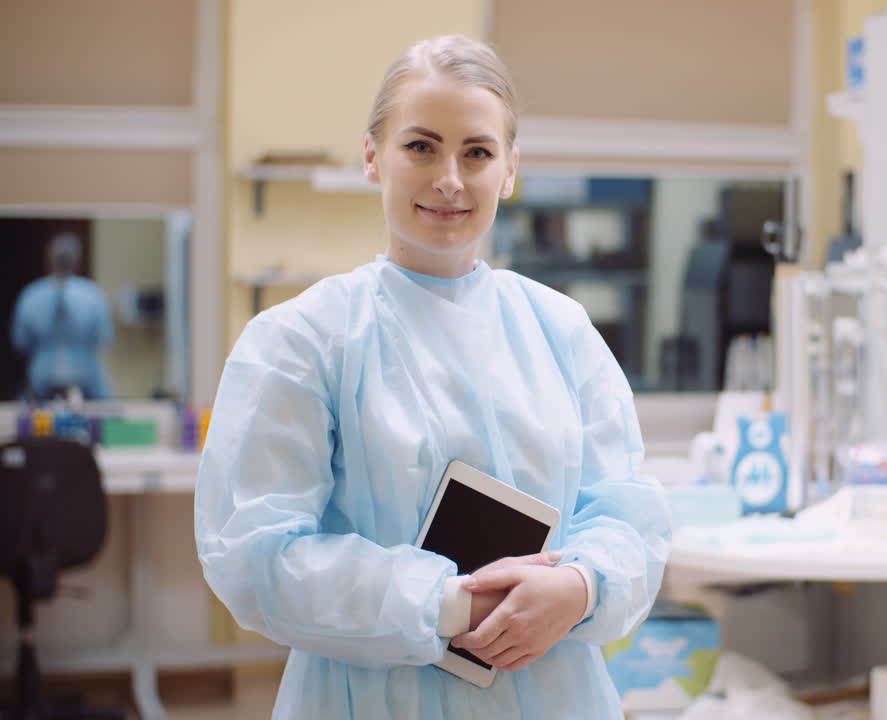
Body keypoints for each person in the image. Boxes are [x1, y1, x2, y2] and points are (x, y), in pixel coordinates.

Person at [195, 35, 671, 720]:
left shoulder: (561, 331)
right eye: (421, 146)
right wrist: (448, 605)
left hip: (553, 690)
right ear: (372, 157)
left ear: (510, 170)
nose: (450, 178)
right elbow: (254, 557)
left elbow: (627, 514)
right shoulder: (302, 339)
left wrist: (582, 587)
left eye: (477, 152)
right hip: (370, 698)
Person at [10, 232, 114, 401]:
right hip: (52, 383)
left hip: (77, 383)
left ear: (48, 259)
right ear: (77, 260)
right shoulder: (92, 294)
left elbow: (21, 342)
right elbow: (103, 337)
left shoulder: (31, 295)